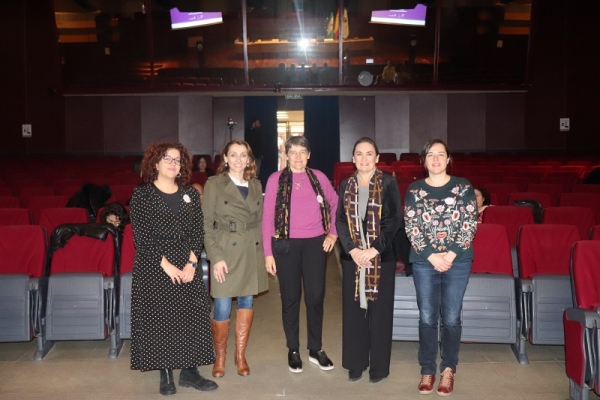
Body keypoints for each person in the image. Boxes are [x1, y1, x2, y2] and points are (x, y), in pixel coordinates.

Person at [129, 142, 217, 395]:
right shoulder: (142, 195)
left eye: (177, 160)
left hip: (186, 260)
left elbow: (197, 231)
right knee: (160, 317)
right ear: (155, 163)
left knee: (191, 315)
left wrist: (192, 263)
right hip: (154, 262)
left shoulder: (188, 194)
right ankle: (165, 371)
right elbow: (142, 237)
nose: (172, 163)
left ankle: (190, 372)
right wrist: (165, 265)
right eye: (167, 158)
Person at [403, 138, 478, 396]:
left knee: (452, 317)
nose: (435, 159)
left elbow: (469, 223)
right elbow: (412, 227)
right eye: (430, 155)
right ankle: (427, 368)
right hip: (425, 262)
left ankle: (448, 369)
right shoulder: (415, 190)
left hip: (458, 260)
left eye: (441, 154)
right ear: (424, 162)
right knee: (427, 316)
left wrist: (451, 254)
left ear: (448, 159)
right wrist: (432, 255)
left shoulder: (463, 187)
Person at [262, 135, 338, 374]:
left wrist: (333, 234)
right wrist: (268, 253)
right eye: (292, 152)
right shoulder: (275, 179)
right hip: (285, 246)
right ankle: (293, 349)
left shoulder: (320, 178)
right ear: (286, 155)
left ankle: (315, 349)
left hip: (316, 244)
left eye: (302, 152)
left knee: (315, 297)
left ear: (309, 155)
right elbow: (266, 218)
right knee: (290, 299)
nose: (297, 157)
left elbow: (335, 205)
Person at [335, 137, 403, 383]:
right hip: (352, 258)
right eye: (359, 154)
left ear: (377, 157)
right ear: (353, 158)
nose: (364, 158)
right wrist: (352, 250)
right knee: (354, 312)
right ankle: (356, 363)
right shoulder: (346, 184)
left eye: (369, 153)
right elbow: (340, 220)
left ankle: (378, 368)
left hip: (381, 257)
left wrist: (374, 249)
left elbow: (394, 220)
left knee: (380, 313)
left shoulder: (388, 183)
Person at [202, 139, 269, 378]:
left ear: (249, 159)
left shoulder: (255, 185)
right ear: (226, 158)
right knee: (221, 305)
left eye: (243, 155)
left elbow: (261, 223)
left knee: (246, 302)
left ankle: (240, 356)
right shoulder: (214, 184)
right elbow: (206, 226)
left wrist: (265, 254)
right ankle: (219, 357)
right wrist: (216, 257)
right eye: (234, 155)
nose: (239, 160)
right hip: (225, 250)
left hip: (250, 250)